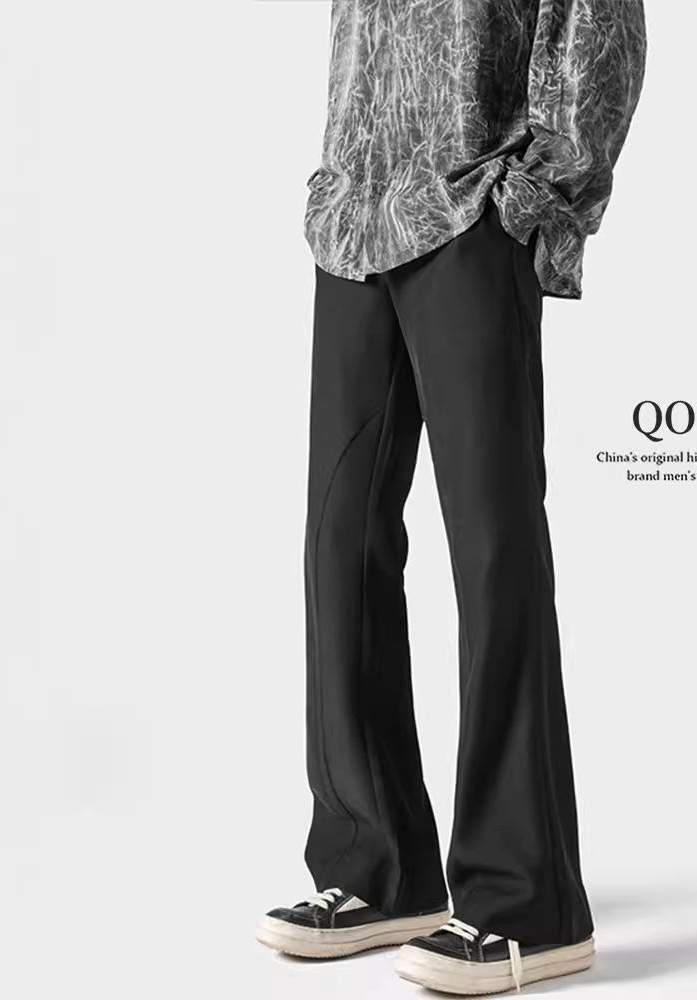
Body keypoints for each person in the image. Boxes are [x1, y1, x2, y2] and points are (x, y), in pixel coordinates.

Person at [256, 0, 646, 992]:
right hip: (354, 216)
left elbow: (598, 26)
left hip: (474, 205)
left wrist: (539, 194)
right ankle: (378, 866)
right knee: (339, 541)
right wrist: (341, 175)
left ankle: (528, 900)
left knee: (492, 547)